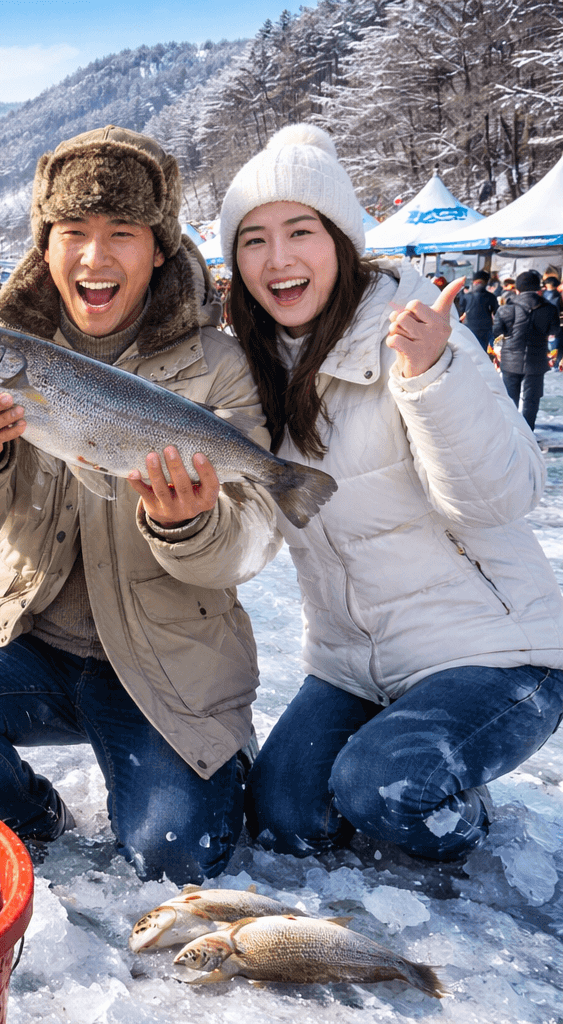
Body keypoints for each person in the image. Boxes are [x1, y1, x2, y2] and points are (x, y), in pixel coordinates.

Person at [0, 126, 281, 883]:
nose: (95, 259)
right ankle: (35, 814)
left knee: (176, 860)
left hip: (168, 667)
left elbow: (256, 539)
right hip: (29, 643)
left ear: (159, 248)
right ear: (45, 245)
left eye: (121, 234)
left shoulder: (219, 366)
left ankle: (215, 766)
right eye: (73, 233)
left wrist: (190, 523)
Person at [219, 126, 563, 864]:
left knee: (387, 789)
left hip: (496, 653)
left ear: (341, 240)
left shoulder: (412, 328)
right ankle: (407, 758)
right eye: (253, 239)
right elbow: (249, 540)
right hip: (353, 664)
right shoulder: (252, 371)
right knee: (284, 822)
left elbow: (505, 498)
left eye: (300, 231)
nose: (278, 258)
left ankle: (455, 805)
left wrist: (430, 375)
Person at [493, 270, 561, 429]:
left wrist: (499, 348)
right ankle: (528, 433)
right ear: (539, 288)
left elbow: (497, 333)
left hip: (509, 359)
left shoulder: (505, 308)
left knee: (510, 398)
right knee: (532, 399)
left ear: (517, 289)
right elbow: (555, 331)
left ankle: (510, 430)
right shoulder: (549, 308)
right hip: (537, 359)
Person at [457, 270, 498, 355]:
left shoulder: (466, 296)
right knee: (482, 352)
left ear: (473, 281)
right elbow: (496, 312)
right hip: (485, 327)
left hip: (469, 327)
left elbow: (462, 309)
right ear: (486, 282)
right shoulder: (491, 296)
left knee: (470, 351)